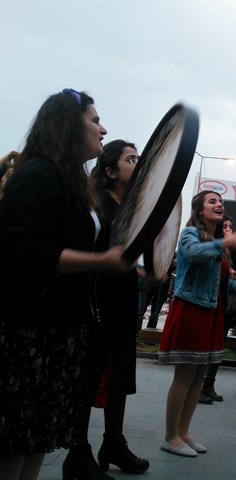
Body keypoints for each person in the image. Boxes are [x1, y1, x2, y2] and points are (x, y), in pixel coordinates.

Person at [0, 89, 129, 480]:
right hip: (29, 328)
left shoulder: (72, 182)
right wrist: (101, 261)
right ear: (68, 124)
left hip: (62, 328)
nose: (103, 129)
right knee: (16, 437)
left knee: (37, 435)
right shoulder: (38, 174)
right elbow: (28, 250)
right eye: (95, 120)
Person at [59, 140, 150, 478]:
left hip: (123, 302)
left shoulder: (132, 206)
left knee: (120, 377)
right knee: (89, 379)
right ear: (110, 171)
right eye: (131, 159)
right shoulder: (96, 203)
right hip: (97, 304)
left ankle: (113, 443)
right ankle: (78, 453)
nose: (139, 164)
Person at [158, 191, 236, 457]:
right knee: (184, 375)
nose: (219, 204)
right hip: (191, 309)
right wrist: (225, 243)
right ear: (199, 210)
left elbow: (225, 285)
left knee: (198, 377)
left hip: (211, 312)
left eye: (220, 201)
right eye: (212, 201)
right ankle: (170, 437)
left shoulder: (218, 243)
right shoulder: (191, 234)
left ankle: (183, 433)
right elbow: (192, 252)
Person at [199, 215, 236, 404]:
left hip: (225, 304)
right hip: (213, 302)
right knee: (208, 345)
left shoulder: (230, 252)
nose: (229, 229)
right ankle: (200, 387)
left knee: (217, 346)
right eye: (225, 226)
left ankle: (208, 384)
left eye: (231, 226)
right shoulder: (214, 247)